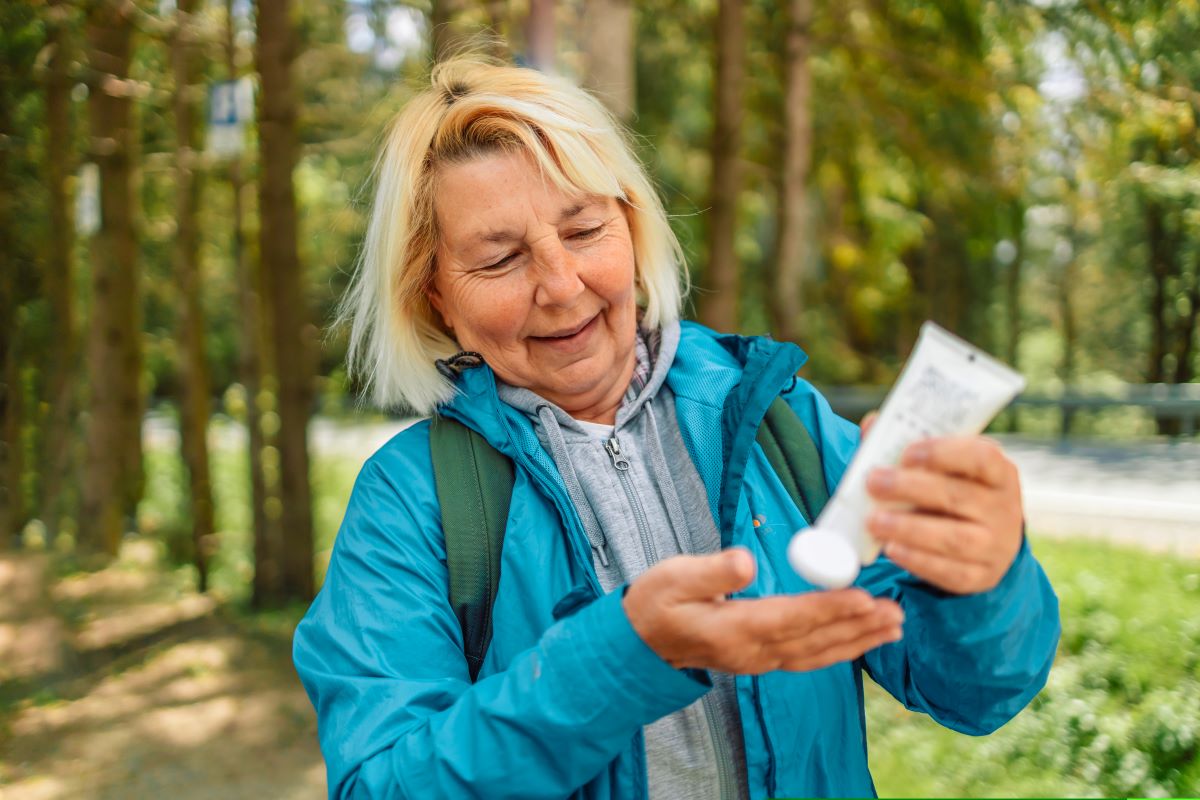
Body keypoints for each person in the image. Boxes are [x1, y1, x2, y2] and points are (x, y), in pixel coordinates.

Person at [292, 57, 1060, 800]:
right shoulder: (412, 500)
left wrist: (985, 581)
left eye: (585, 229)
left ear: (631, 226)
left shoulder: (775, 422)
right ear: (434, 299)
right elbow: (382, 784)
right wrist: (622, 657)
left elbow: (971, 694)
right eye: (500, 261)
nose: (562, 287)